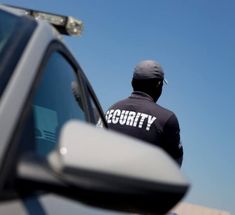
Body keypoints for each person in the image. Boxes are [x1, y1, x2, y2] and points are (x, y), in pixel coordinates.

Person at [105, 60, 183, 166]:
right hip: (140, 182)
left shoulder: (111, 110)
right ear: (158, 85)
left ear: (132, 82)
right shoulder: (167, 119)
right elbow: (174, 166)